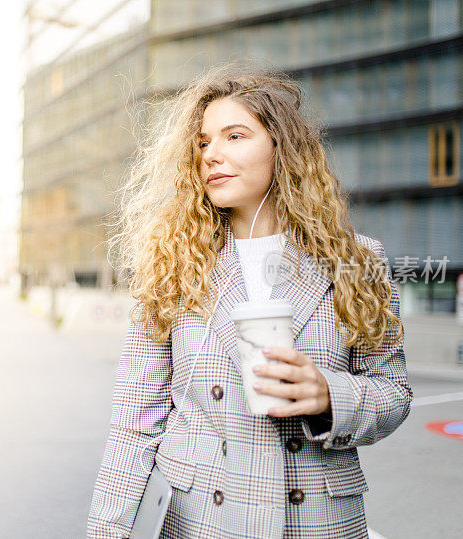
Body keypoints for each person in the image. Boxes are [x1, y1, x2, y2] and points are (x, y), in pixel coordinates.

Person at [87, 65, 412, 538]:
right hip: (201, 520)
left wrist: (327, 397)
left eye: (234, 136)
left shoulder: (358, 260)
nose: (212, 154)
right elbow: (135, 419)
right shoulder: (173, 264)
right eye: (202, 142)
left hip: (316, 520)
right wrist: (107, 531)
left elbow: (394, 391)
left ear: (282, 147)